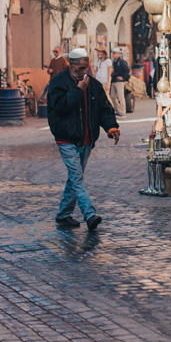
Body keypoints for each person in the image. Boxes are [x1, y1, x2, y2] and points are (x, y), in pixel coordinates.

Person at [45, 47, 119, 230]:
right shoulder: (58, 83)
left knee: (74, 178)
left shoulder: (93, 85)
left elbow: (104, 109)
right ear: (71, 65)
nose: (83, 71)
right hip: (66, 138)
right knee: (77, 178)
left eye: (85, 68)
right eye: (79, 68)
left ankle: (63, 215)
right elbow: (60, 107)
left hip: (87, 139)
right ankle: (90, 214)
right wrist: (78, 91)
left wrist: (111, 127)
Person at [94, 48, 121, 115]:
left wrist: (108, 83)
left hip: (105, 80)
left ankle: (112, 109)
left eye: (100, 52)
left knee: (106, 95)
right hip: (98, 80)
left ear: (104, 53)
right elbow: (96, 71)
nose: (99, 54)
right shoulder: (98, 61)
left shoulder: (108, 61)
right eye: (98, 52)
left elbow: (109, 72)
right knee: (98, 96)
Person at [111, 48, 132, 114]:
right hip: (114, 80)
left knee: (121, 97)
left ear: (118, 54)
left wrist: (123, 77)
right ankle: (117, 110)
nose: (113, 55)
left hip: (119, 82)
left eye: (114, 53)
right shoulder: (114, 62)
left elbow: (127, 70)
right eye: (113, 53)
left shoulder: (122, 62)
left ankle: (123, 111)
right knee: (112, 96)